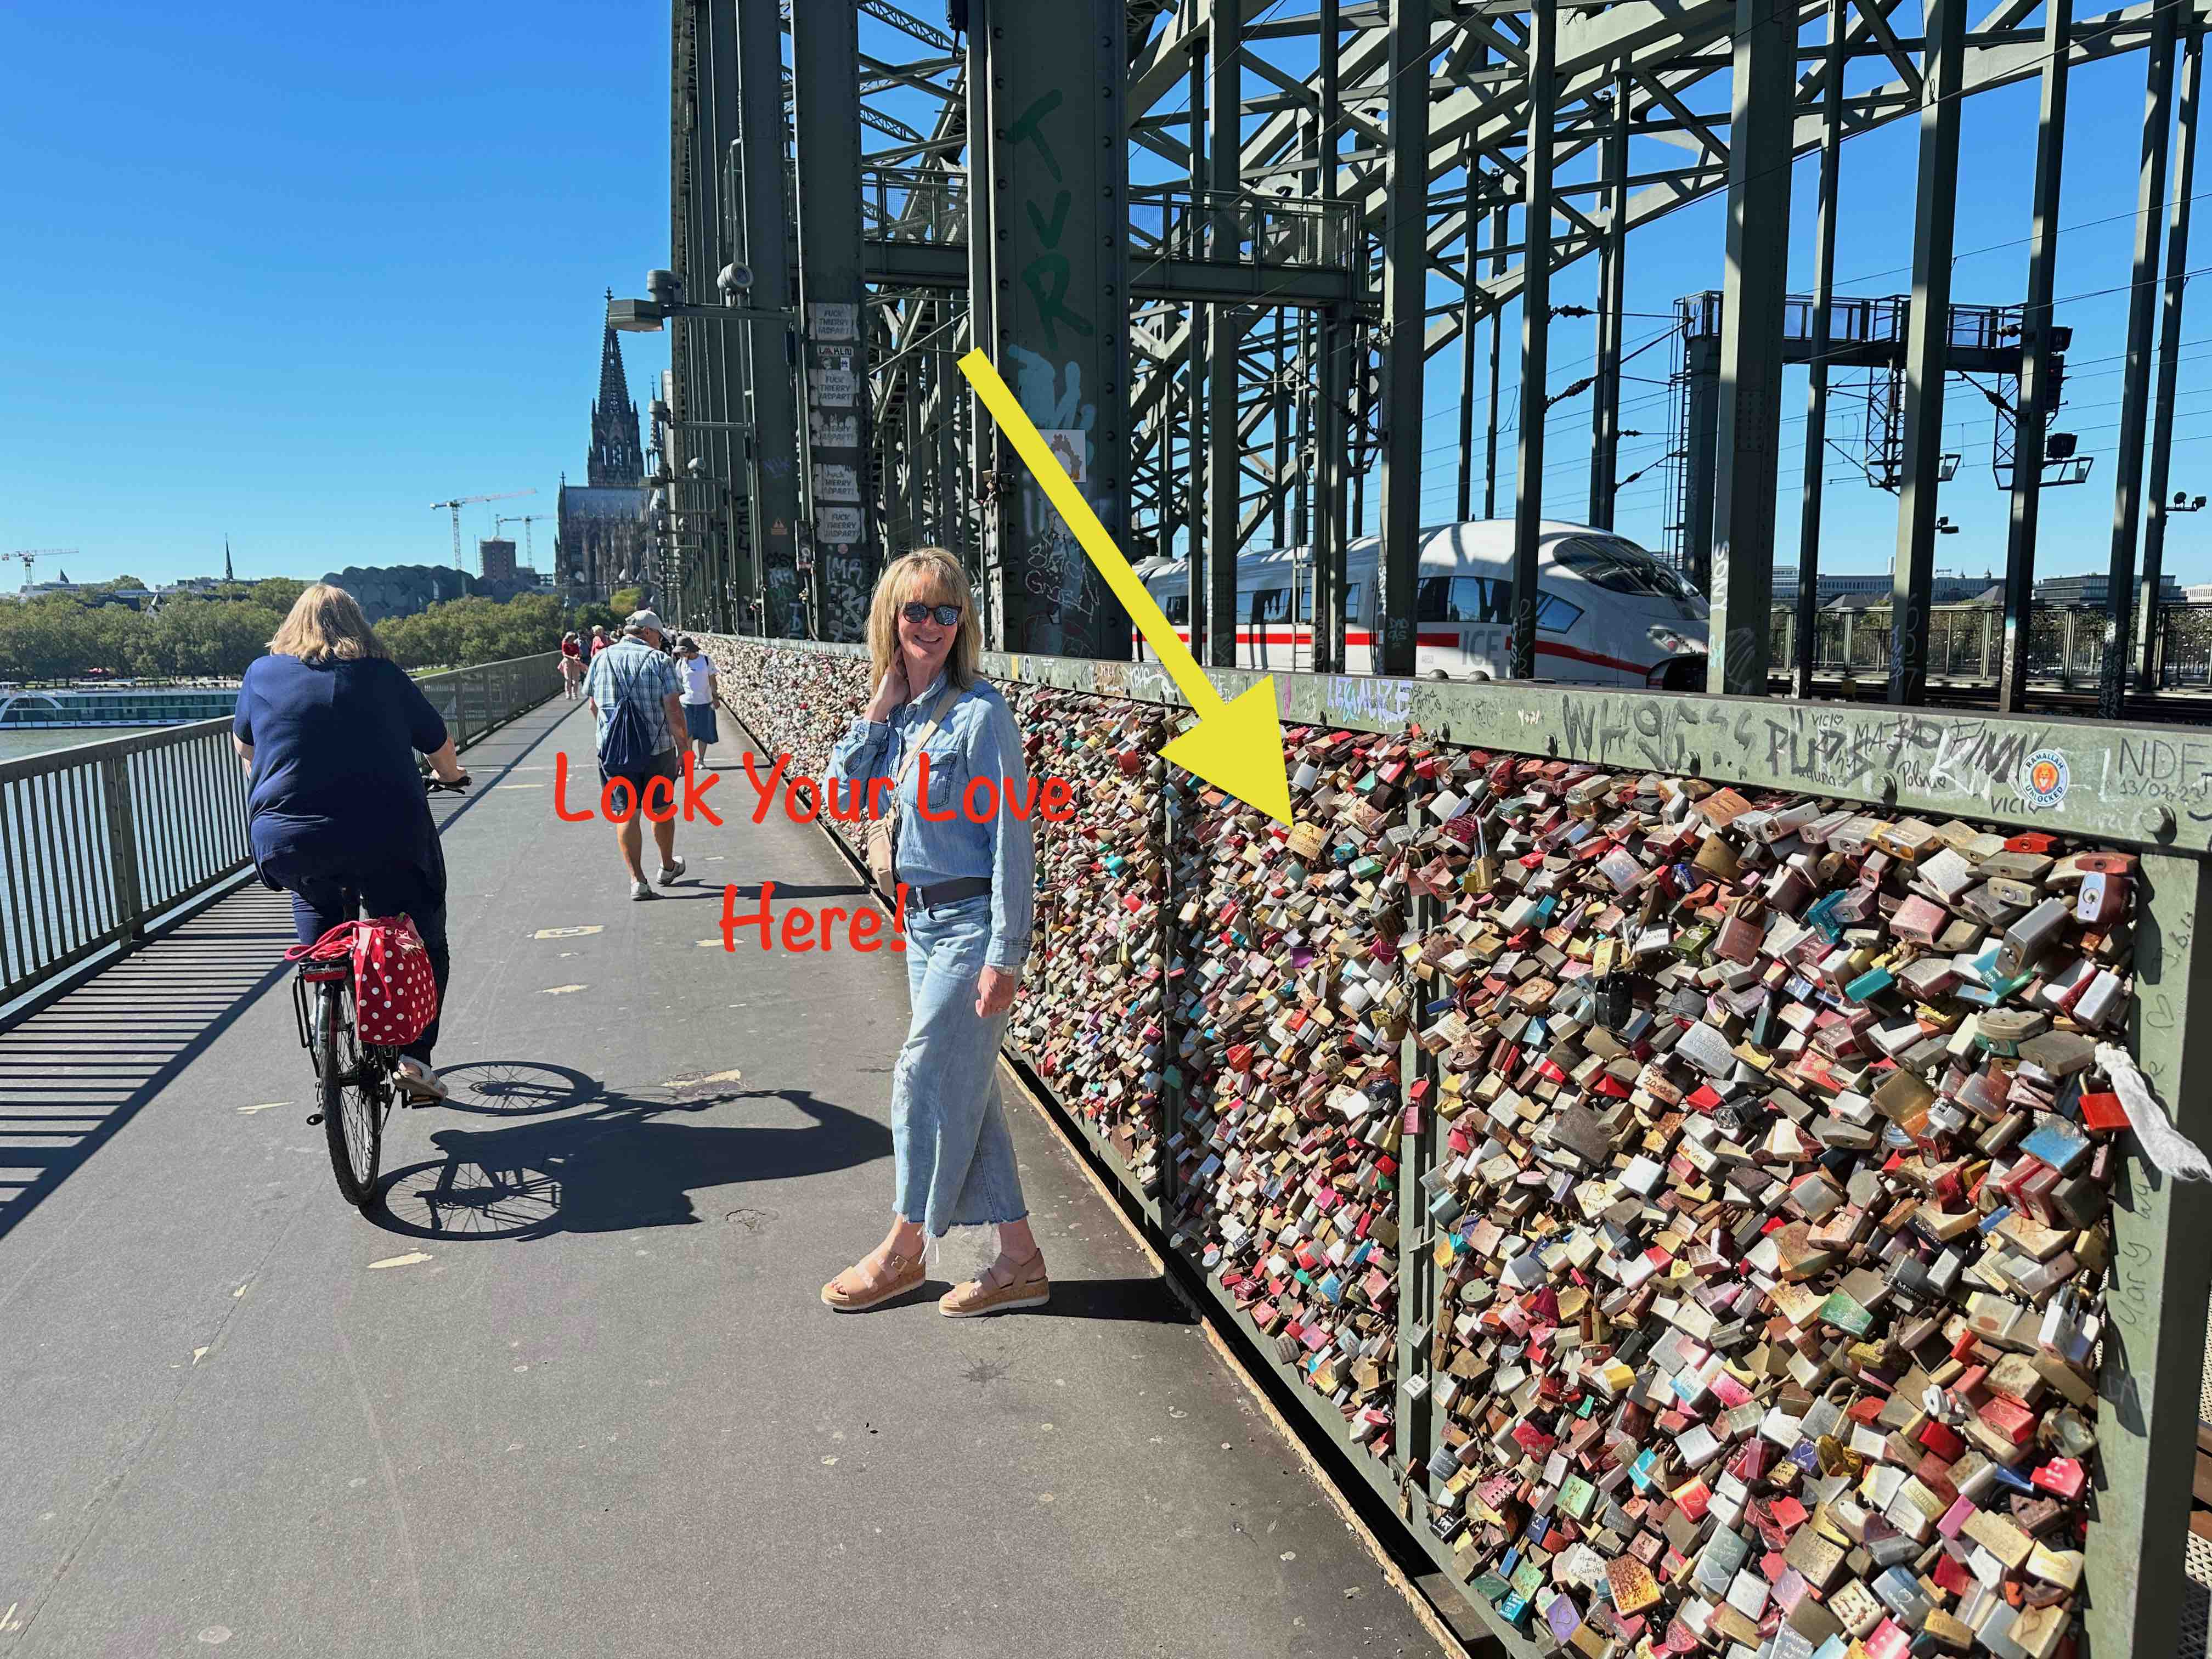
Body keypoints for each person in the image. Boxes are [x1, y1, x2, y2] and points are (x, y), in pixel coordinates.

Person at [821, 548, 1046, 1317]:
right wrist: (878, 709)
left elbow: (1014, 839)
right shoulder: (907, 719)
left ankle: (905, 1248)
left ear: (963, 623)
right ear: (891, 618)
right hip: (918, 925)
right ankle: (1019, 1260)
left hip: (968, 929)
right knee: (968, 1095)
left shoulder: (983, 716)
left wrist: (1005, 953)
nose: (930, 625)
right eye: (915, 610)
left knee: (920, 1079)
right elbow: (842, 796)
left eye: (946, 611)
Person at [232, 584, 467, 1101]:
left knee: (318, 908)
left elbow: (247, 750)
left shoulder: (260, 673)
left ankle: (330, 1007)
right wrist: (450, 776)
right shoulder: (382, 674)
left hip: (289, 836)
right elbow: (438, 745)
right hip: (387, 835)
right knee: (422, 934)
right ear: (358, 625)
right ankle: (413, 1058)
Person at [583, 608, 689, 901]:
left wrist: (611, 735)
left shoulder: (601, 658)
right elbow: (674, 710)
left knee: (625, 812)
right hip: (658, 750)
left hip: (614, 752)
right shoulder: (659, 661)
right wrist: (685, 750)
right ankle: (667, 867)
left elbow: (593, 705)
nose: (661, 643)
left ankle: (638, 881)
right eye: (659, 637)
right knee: (661, 808)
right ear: (649, 633)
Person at [673, 635, 719, 766]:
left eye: (683, 651)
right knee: (688, 734)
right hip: (686, 703)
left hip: (705, 702)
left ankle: (701, 760)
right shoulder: (681, 663)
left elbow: (713, 680)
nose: (682, 654)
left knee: (704, 733)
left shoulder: (705, 660)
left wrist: (715, 697)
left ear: (689, 650)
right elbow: (678, 682)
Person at [559, 631, 585, 701]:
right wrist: (572, 657)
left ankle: (575, 694)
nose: (573, 639)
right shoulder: (565, 645)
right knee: (568, 679)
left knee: (576, 679)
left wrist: (578, 656)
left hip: (575, 662)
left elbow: (579, 653)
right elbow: (564, 654)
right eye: (572, 638)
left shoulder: (575, 645)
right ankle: (568, 694)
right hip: (568, 662)